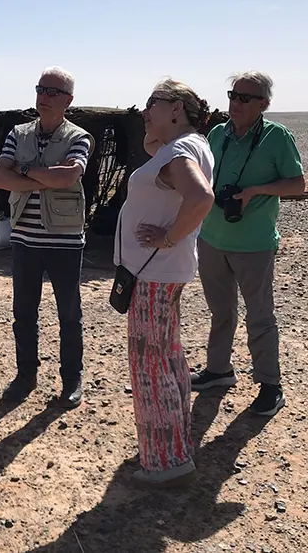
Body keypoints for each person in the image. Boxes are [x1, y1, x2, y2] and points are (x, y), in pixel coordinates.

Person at [116, 78, 215, 488]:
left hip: (153, 273)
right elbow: (169, 177)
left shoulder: (180, 151)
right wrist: (154, 139)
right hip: (161, 272)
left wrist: (169, 236)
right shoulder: (188, 146)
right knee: (168, 357)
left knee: (150, 364)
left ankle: (165, 463)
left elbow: (201, 198)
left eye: (151, 104)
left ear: (175, 108)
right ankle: (174, 446)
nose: (144, 111)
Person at [191, 71, 305, 416]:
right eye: (233, 95)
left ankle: (271, 385)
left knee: (260, 316)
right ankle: (219, 370)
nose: (235, 103)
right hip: (212, 237)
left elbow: (297, 184)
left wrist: (256, 191)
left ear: (264, 104)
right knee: (220, 311)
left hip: (254, 242)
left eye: (244, 98)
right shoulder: (216, 134)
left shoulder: (277, 137)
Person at [0, 66, 94, 408]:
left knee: (69, 313)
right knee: (24, 311)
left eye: (53, 92)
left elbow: (69, 176)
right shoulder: (18, 133)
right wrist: (42, 177)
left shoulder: (79, 137)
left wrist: (23, 171)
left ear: (69, 100)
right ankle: (25, 375)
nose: (44, 97)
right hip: (25, 236)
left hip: (64, 237)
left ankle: (71, 379)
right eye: (41, 89)